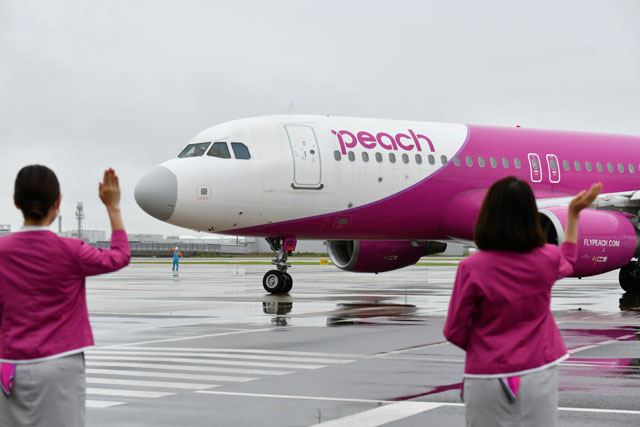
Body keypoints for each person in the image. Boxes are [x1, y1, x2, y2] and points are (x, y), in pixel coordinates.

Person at [443, 176, 602, 427]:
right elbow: (569, 261)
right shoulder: (547, 257)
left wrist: (486, 348)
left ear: (488, 214)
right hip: (537, 372)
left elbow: (454, 330)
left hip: (486, 376)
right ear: (530, 215)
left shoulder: (470, 267)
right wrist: (573, 214)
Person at [0, 166, 130, 427]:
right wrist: (113, 207)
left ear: (16, 203)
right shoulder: (71, 251)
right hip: (60, 364)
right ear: (57, 203)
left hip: (9, 366)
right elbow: (120, 255)